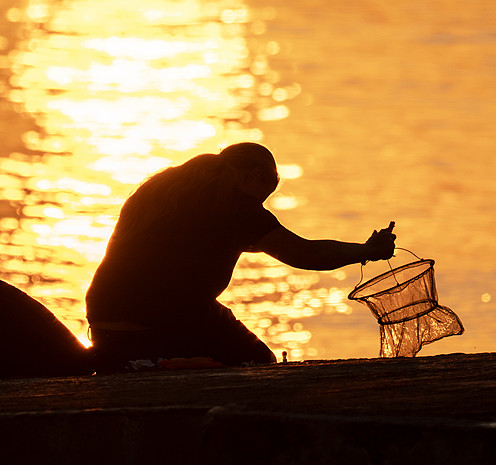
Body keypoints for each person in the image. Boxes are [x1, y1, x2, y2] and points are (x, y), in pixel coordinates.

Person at [85, 142, 396, 371]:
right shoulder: (236, 204)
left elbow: (198, 242)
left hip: (103, 317)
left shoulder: (168, 187)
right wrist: (367, 251)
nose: (261, 207)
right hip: (155, 324)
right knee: (258, 363)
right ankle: (160, 367)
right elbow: (306, 253)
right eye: (265, 194)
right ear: (255, 176)